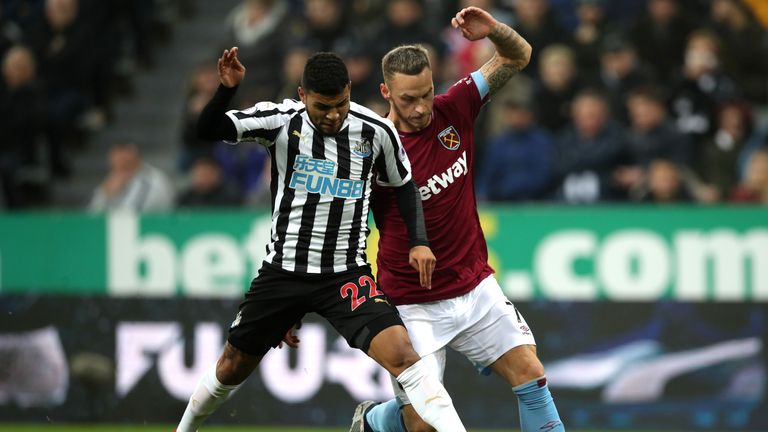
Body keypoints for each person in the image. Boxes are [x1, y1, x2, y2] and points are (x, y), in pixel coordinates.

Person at [175, 48, 469, 432]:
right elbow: (208, 129)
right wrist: (226, 90)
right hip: (284, 273)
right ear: (301, 95)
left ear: (350, 90)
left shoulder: (376, 131)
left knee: (403, 355)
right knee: (232, 365)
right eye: (322, 106)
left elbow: (404, 185)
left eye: (341, 103)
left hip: (345, 275)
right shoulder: (280, 121)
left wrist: (419, 241)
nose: (333, 115)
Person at [350, 6, 564, 432]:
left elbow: (518, 56)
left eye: (426, 94)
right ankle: (376, 420)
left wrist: (495, 31)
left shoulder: (456, 106)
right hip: (412, 302)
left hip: (474, 286)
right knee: (423, 426)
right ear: (386, 92)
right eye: (408, 99)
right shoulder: (372, 150)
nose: (420, 108)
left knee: (532, 374)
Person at [87, 142, 175, 212]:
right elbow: (92, 214)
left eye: (124, 162)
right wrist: (106, 195)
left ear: (135, 159)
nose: (119, 166)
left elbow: (135, 213)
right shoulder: (112, 180)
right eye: (115, 163)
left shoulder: (153, 180)